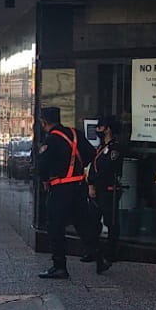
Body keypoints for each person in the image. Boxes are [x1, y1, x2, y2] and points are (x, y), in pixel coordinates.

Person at [37, 107, 106, 279]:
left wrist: (46, 180)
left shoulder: (51, 140)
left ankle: (59, 266)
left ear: (43, 122)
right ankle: (100, 257)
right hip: (79, 186)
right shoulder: (76, 134)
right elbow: (91, 154)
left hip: (60, 189)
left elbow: (41, 166)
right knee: (83, 224)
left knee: (55, 226)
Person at [85, 116, 122, 264]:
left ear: (108, 129)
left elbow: (106, 169)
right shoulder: (101, 147)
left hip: (108, 189)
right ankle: (93, 251)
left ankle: (111, 252)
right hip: (96, 189)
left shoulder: (115, 148)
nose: (98, 130)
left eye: (101, 127)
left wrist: (93, 182)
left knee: (111, 222)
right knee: (92, 221)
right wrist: (90, 183)